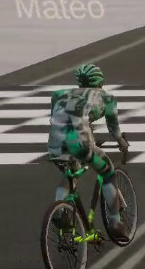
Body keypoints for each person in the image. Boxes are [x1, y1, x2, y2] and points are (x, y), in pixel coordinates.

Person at [45, 63, 130, 226]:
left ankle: (60, 210)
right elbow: (113, 128)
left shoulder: (60, 94)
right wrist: (122, 143)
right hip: (80, 143)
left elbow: (61, 118)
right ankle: (115, 221)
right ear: (100, 81)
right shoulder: (106, 98)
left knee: (70, 174)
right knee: (108, 171)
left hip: (55, 143)